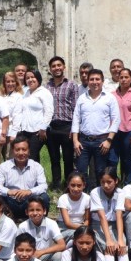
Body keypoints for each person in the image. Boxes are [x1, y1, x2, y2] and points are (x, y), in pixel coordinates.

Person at [72, 69, 120, 190]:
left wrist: (109, 140)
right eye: (92, 79)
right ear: (88, 81)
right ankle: (84, 197)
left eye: (97, 79)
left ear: (102, 81)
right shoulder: (82, 98)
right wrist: (75, 141)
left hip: (102, 141)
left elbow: (116, 119)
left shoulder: (109, 98)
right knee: (81, 170)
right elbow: (76, 119)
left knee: (100, 171)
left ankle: (99, 196)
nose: (95, 82)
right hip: (83, 141)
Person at [16, 196, 66, 261]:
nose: (35, 213)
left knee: (58, 256)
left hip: (44, 257)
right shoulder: (23, 226)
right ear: (26, 212)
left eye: (38, 210)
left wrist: (41, 252)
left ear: (44, 211)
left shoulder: (51, 223)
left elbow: (62, 245)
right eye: (31, 210)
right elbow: (18, 247)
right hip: (29, 259)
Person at [0, 135, 50, 220]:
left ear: (29, 151)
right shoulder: (4, 166)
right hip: (11, 202)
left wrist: (29, 191)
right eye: (17, 150)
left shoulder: (36, 166)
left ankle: (39, 222)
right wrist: (8, 191)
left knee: (44, 197)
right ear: (13, 151)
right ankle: (4, 222)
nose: (20, 153)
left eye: (24, 149)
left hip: (29, 203)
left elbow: (43, 186)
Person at [44, 56, 77, 190]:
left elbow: (75, 108)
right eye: (54, 66)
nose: (56, 68)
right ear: (50, 69)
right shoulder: (46, 87)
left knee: (68, 158)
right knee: (54, 157)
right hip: (52, 127)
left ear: (64, 67)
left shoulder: (71, 85)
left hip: (67, 125)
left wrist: (74, 129)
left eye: (59, 65)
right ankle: (56, 183)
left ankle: (68, 183)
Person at [108, 67, 131, 185]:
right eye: (121, 77)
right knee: (112, 160)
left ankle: (127, 184)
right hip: (114, 132)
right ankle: (114, 183)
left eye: (126, 77)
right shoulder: (112, 95)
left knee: (127, 160)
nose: (123, 79)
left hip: (129, 131)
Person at [13, 69, 53, 162]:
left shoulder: (44, 92)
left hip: (38, 132)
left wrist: (43, 128)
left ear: (38, 78)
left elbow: (49, 112)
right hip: (26, 131)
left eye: (32, 77)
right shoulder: (26, 93)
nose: (30, 80)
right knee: (32, 159)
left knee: (31, 157)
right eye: (27, 78)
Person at [56, 171, 90, 239]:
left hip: (81, 226)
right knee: (78, 236)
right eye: (73, 185)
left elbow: (87, 220)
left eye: (79, 185)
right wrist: (83, 229)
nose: (76, 189)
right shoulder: (63, 199)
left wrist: (84, 228)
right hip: (64, 228)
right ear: (68, 185)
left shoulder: (87, 198)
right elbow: (68, 223)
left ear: (84, 185)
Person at [2, 71, 24, 158]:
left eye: (12, 81)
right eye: (8, 81)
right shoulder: (1, 96)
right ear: (4, 83)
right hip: (0, 131)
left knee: (9, 156)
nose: (10, 84)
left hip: (10, 131)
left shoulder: (18, 97)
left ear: (16, 83)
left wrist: (13, 134)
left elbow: (17, 115)